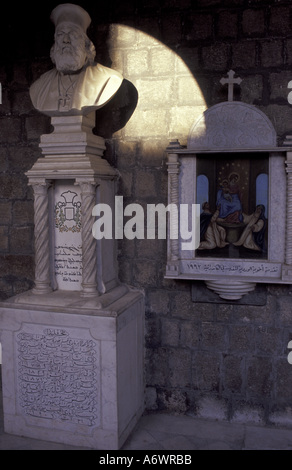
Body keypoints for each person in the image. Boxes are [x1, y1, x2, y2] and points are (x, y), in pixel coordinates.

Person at [30, 4, 123, 116]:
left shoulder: (108, 79)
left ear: (86, 44)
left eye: (72, 34)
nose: (66, 40)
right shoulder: (39, 87)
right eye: (60, 34)